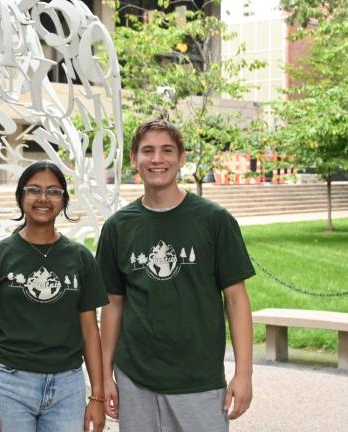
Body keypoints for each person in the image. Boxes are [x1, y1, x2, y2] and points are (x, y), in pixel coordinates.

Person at [96, 119, 255, 432]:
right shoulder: (118, 227)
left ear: (182, 158)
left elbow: (236, 300)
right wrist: (104, 375)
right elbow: (113, 305)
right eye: (148, 151)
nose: (157, 159)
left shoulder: (214, 221)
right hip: (136, 378)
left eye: (167, 150)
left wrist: (244, 373)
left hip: (198, 380)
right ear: (133, 159)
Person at [0, 161, 109, 432]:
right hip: (9, 384)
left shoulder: (80, 258)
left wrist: (97, 397)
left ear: (64, 200)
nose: (43, 198)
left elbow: (91, 332)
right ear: (21, 197)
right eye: (34, 190)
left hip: (68, 387)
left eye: (53, 191)